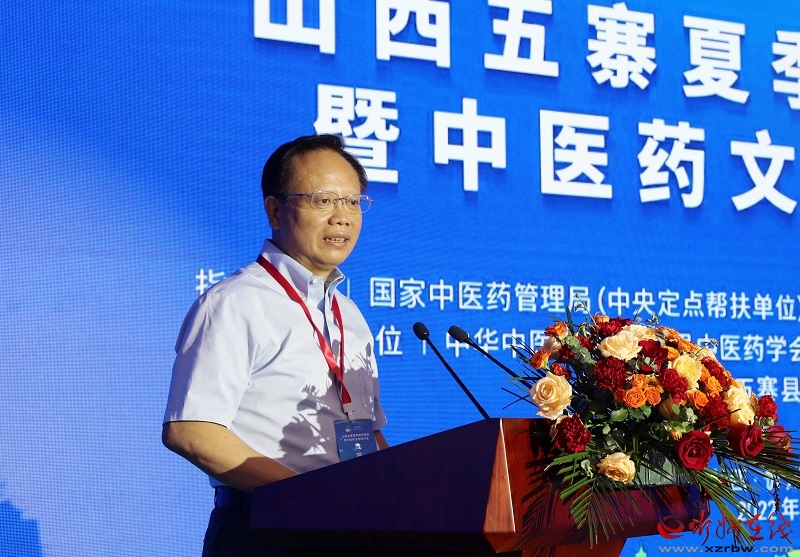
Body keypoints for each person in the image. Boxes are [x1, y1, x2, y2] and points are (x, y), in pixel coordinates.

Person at [162, 134, 388, 556]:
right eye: (323, 200)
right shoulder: (235, 303)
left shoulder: (350, 315)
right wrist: (311, 498)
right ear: (275, 210)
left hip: (350, 529)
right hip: (264, 529)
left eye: (353, 202)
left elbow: (368, 432)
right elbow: (191, 430)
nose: (342, 217)